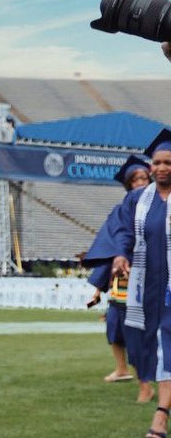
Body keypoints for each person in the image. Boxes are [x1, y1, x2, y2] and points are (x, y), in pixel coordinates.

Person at [85, 138, 171, 438]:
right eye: (157, 163)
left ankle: (160, 413)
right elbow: (122, 231)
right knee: (160, 347)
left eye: (168, 163)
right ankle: (159, 409)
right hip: (149, 288)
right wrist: (121, 253)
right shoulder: (138, 201)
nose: (161, 168)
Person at [86, 156, 153, 402]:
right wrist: (99, 288)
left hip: (153, 278)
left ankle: (149, 382)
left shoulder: (161, 207)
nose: (140, 184)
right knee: (117, 326)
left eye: (144, 179)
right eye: (135, 180)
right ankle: (132, 375)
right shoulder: (121, 212)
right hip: (125, 281)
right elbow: (112, 247)